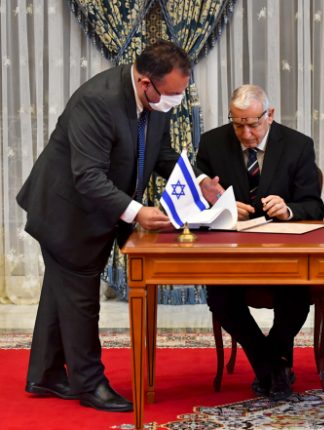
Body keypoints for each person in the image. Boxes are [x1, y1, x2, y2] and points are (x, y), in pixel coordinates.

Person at [16, 40, 223, 412]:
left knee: (62, 291)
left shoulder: (155, 101)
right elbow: (88, 176)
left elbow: (160, 153)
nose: (175, 102)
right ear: (145, 83)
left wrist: (200, 181)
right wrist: (137, 212)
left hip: (97, 209)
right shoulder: (97, 102)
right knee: (80, 297)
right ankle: (90, 384)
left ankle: (45, 374)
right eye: (171, 95)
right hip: (67, 212)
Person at [196, 84, 324, 401]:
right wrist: (222, 208)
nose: (246, 133)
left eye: (253, 124)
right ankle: (273, 366)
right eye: (238, 124)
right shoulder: (212, 143)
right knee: (221, 300)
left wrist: (289, 209)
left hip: (283, 254)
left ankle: (270, 366)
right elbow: (197, 203)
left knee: (296, 300)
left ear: (270, 115)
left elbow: (314, 206)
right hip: (232, 254)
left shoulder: (298, 145)